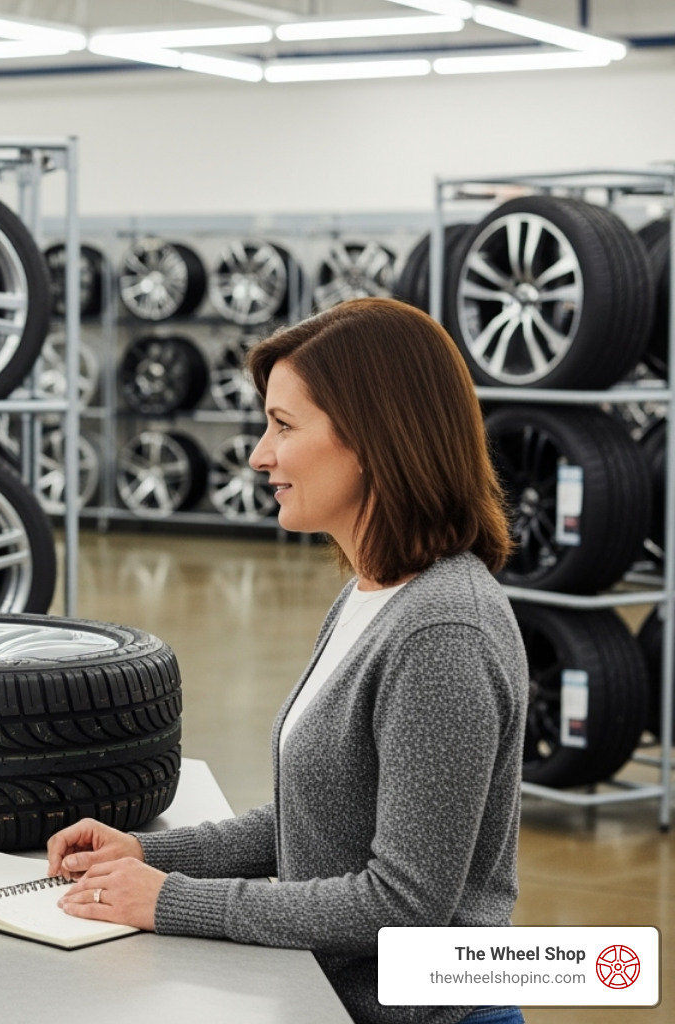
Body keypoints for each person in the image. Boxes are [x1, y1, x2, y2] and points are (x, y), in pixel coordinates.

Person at [47, 297, 528, 1024]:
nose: (258, 456)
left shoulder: (442, 633)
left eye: (283, 425)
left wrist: (174, 902)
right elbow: (321, 815)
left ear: (373, 437)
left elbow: (403, 904)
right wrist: (150, 856)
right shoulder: (373, 595)